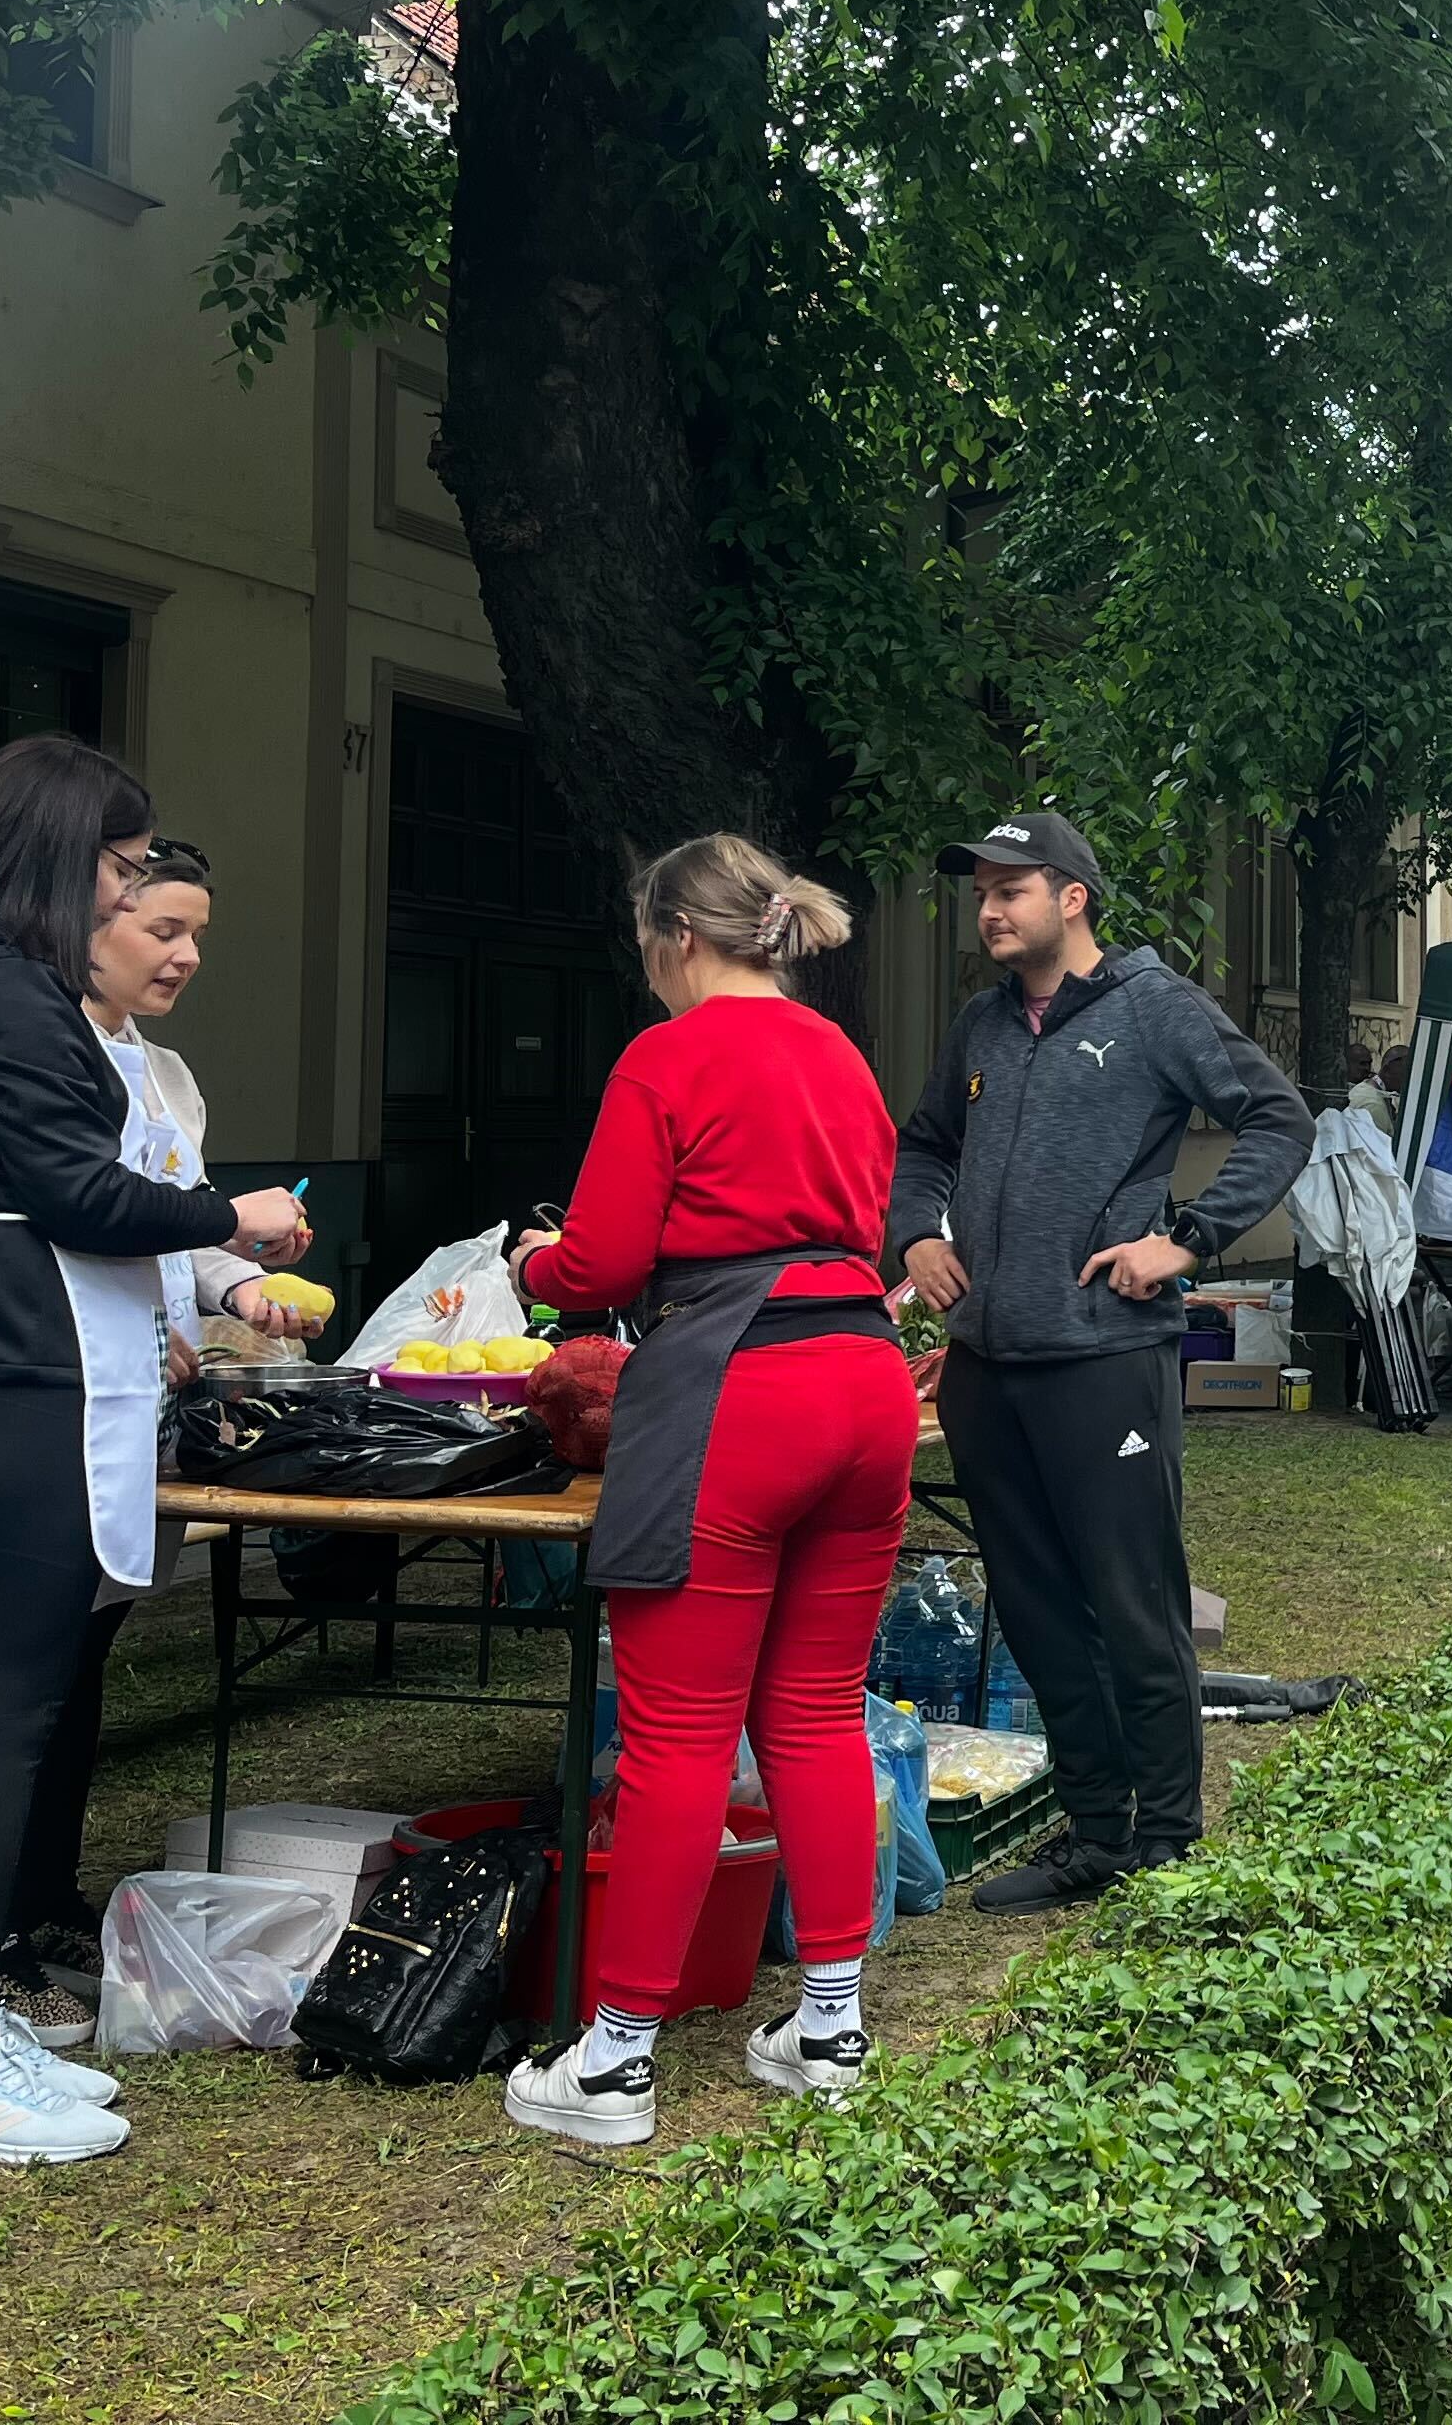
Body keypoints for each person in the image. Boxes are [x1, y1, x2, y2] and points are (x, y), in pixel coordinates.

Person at [0, 737, 306, 2166]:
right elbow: (77, 1191)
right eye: (121, 868)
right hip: (6, 1369)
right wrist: (230, 1219)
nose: (125, 891)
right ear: (59, 853)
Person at [499, 835, 911, 2146]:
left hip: (740, 1383)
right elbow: (867, 1220)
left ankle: (614, 2061)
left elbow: (604, 1259)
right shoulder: (841, 1055)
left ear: (679, 936)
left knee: (679, 1734)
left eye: (646, 948)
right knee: (816, 1711)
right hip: (865, 1379)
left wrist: (534, 1263)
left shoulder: (667, 1057)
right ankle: (830, 2027)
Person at [888, 813, 1314, 1912]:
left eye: (1011, 890)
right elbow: (923, 1144)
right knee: (1035, 1611)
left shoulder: (1154, 1006)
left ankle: (1165, 1842)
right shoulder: (982, 1024)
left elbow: (1279, 1119)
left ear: (1072, 897)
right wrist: (919, 1234)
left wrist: (1188, 1240)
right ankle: (1093, 1833)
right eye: (981, 892)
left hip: (1105, 1359)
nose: (989, 910)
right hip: (988, 1367)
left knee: (1134, 1606)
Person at [0, 843, 320, 2045]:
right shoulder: (41, 1055)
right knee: (19, 1690)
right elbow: (70, 1224)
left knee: (80, 1672)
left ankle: (47, 1899)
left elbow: (177, 1227)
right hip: (51, 1408)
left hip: (141, 1421)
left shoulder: (164, 1073)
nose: (185, 957)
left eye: (197, 937)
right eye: (163, 930)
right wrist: (152, 1313)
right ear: (88, 920)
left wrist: (241, 1289)